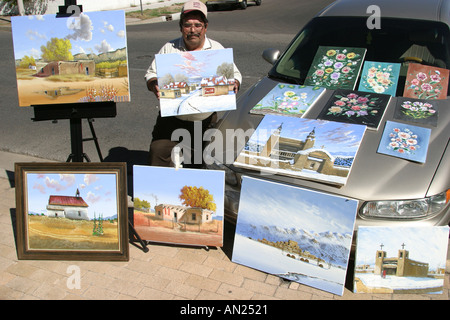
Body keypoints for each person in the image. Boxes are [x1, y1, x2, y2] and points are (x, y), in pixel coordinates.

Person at [145, 0, 242, 168]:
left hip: (203, 120)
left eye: (197, 25)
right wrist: (154, 84)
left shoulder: (216, 49)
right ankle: (161, 192)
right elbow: (151, 74)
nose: (192, 30)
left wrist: (234, 83)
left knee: (199, 162)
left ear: (205, 27)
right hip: (172, 117)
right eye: (187, 25)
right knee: (158, 151)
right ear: (181, 27)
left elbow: (235, 75)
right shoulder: (169, 48)